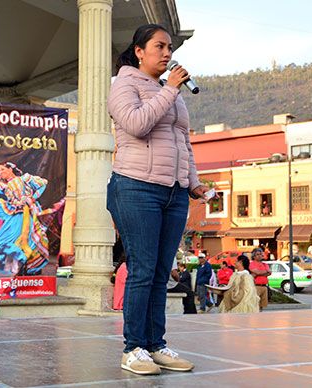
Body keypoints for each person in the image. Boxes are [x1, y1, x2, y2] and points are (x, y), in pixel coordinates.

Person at [106, 23, 210, 375]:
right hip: (136, 187)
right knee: (142, 269)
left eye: (170, 48)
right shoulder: (125, 84)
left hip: (174, 192)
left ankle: (156, 344)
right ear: (139, 51)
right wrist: (168, 89)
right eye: (160, 46)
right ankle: (133, 348)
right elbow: (136, 124)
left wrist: (193, 183)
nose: (167, 53)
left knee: (161, 272)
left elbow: (183, 142)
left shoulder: (173, 93)